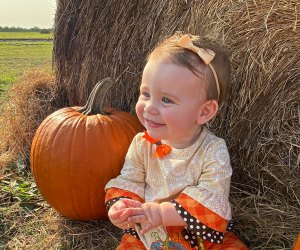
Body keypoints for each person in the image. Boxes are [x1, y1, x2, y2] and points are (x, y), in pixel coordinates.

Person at [105, 33, 248, 249]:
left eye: (166, 100)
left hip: (199, 236)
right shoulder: (141, 143)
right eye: (145, 94)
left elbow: (212, 197)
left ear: (204, 111)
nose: (150, 107)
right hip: (149, 233)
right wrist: (122, 206)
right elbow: (130, 180)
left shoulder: (212, 150)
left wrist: (162, 212)